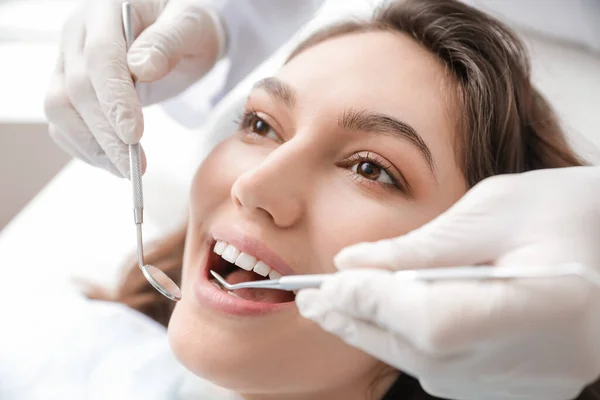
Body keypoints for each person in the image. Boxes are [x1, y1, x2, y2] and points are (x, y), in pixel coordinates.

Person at [40, 0, 600, 399]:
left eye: (370, 169)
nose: (254, 188)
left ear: (478, 273)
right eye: (260, 124)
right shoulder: (73, 358)